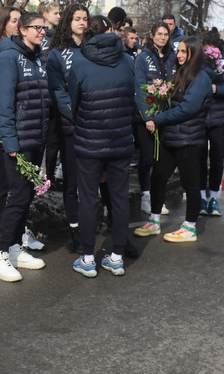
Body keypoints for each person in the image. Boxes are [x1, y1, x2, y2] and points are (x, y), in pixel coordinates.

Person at [66, 16, 135, 277]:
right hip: (120, 141)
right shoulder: (128, 61)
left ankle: (87, 259)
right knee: (119, 199)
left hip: (89, 143)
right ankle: (116, 257)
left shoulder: (80, 62)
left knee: (88, 200)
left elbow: (73, 102)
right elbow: (133, 98)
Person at [0, 12, 50, 282]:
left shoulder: (38, 58)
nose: (42, 32)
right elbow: (2, 104)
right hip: (19, 141)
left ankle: (14, 248)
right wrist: (10, 142)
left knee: (27, 197)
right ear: (22, 30)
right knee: (18, 196)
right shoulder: (8, 57)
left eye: (44, 28)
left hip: (36, 138)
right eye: (36, 27)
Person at [133, 36, 211, 243]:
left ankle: (190, 227)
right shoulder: (180, 73)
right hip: (171, 138)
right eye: (179, 51)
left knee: (190, 184)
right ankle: (154, 221)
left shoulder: (201, 78)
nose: (180, 55)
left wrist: (158, 118)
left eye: (185, 52)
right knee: (157, 179)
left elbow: (188, 109)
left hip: (189, 140)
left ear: (194, 53)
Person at [47, 4, 89, 253]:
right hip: (71, 126)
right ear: (68, 22)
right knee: (72, 182)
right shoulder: (57, 53)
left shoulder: (93, 49)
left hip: (94, 125)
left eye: (85, 19)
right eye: (77, 19)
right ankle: (74, 229)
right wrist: (75, 117)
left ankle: (91, 222)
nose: (82, 23)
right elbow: (58, 92)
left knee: (91, 181)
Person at [132, 22, 176, 216]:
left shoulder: (172, 57)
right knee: (147, 157)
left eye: (165, 34)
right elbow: (139, 88)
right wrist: (148, 117)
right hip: (146, 117)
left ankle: (158, 197)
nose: (162, 37)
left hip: (165, 116)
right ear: (151, 35)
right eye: (159, 34)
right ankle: (145, 196)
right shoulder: (143, 58)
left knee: (162, 159)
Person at [198, 30, 224, 217]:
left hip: (220, 118)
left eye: (211, 49)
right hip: (199, 116)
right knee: (198, 159)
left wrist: (215, 88)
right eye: (205, 49)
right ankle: (199, 198)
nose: (208, 52)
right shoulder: (197, 58)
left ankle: (213, 197)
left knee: (217, 159)